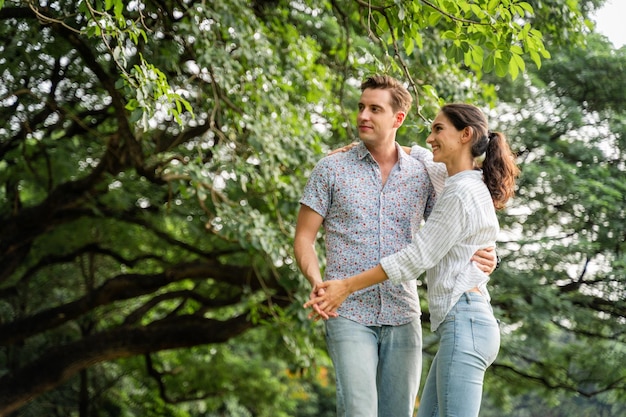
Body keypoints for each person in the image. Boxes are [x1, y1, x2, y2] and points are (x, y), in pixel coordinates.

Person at [294, 76, 497, 417]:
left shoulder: (425, 172)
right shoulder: (332, 168)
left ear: (397, 118)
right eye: (361, 107)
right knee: (360, 411)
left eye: (375, 109)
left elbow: (462, 223)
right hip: (347, 310)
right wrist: (317, 282)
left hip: (403, 314)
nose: (363, 116)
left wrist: (491, 255)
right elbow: (303, 238)